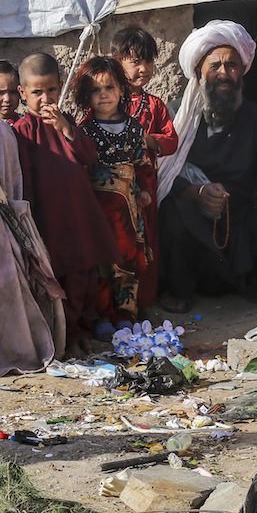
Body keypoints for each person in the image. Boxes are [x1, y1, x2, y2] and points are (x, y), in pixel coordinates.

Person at [157, 20, 257, 313]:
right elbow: (162, 174)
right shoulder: (177, 114)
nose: (224, 74)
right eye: (214, 66)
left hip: (240, 217)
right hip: (194, 215)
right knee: (172, 213)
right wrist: (195, 193)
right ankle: (180, 290)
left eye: (231, 65)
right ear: (199, 71)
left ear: (242, 70)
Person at [11, 52, 118, 355]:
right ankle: (67, 338)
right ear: (23, 93)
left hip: (80, 212)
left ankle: (85, 331)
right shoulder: (21, 132)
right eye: (36, 92)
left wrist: (65, 129)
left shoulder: (67, 122)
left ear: (60, 88)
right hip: (50, 218)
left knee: (86, 274)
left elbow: (88, 156)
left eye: (51, 90)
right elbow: (24, 179)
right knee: (62, 280)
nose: (45, 98)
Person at [71, 55, 155, 329]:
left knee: (128, 258)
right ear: (86, 95)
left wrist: (144, 191)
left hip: (129, 211)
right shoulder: (84, 131)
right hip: (98, 211)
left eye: (109, 88)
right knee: (101, 260)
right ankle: (103, 314)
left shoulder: (133, 129)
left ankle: (126, 314)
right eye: (95, 90)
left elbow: (144, 164)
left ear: (121, 89)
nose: (103, 95)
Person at [110, 26, 178, 313]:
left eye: (148, 61)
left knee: (147, 242)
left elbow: (171, 140)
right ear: (117, 61)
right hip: (114, 189)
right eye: (135, 61)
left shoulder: (154, 105)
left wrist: (150, 140)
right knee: (119, 242)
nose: (143, 68)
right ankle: (116, 306)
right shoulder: (108, 100)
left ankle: (143, 303)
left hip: (146, 188)